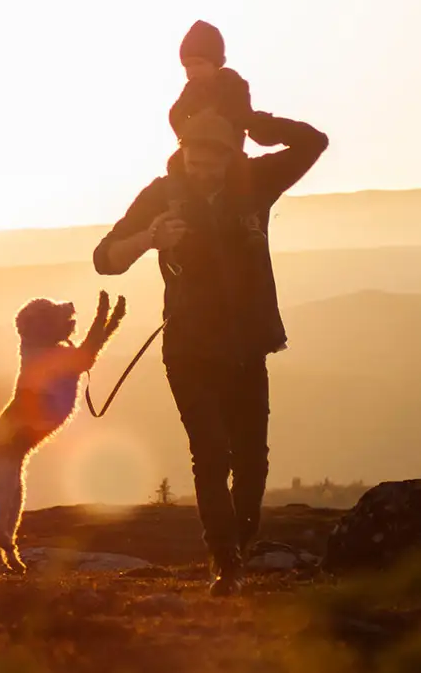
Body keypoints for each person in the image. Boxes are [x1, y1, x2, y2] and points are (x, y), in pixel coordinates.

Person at [92, 93, 329, 597]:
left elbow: (313, 142)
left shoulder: (255, 183)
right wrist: (150, 239)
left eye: (212, 162)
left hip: (249, 343)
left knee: (252, 460)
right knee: (210, 457)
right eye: (193, 160)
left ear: (230, 156)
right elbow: (104, 259)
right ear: (182, 152)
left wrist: (250, 120)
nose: (202, 171)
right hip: (190, 347)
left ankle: (239, 548)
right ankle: (226, 565)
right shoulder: (162, 195)